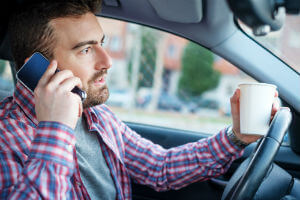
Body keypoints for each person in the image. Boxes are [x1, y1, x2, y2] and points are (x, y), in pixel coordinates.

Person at [0, 0, 279, 199]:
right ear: (38, 68)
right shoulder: (6, 136)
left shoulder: (97, 116)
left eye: (102, 43)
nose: (107, 61)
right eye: (85, 50)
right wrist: (55, 131)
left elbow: (160, 168)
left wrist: (237, 137)